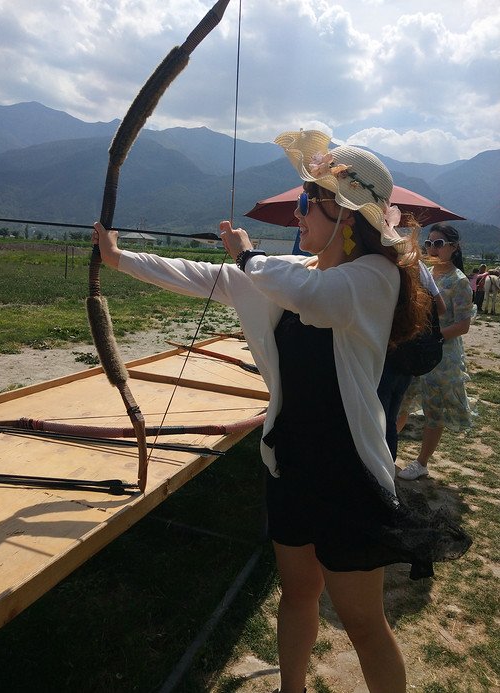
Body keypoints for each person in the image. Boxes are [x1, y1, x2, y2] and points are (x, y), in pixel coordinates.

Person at [92, 129, 471, 693]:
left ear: (344, 214)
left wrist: (246, 254)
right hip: (290, 459)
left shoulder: (375, 278)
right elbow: (204, 275)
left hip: (348, 471)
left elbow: (309, 296)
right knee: (297, 592)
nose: (297, 218)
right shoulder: (291, 274)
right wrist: (120, 259)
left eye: (304, 204)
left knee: (364, 621)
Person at [397, 223, 476, 481]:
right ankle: (385, 448)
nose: (432, 248)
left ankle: (421, 462)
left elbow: (463, 325)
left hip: (443, 355)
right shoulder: (428, 273)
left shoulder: (460, 281)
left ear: (454, 247)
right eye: (428, 243)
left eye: (438, 243)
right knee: (403, 400)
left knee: (435, 410)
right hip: (420, 349)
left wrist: (435, 338)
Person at [378, 261, 446, 460]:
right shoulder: (418, 264)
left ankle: (378, 480)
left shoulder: (383, 260)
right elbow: (439, 307)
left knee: (376, 422)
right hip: (410, 356)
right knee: (389, 420)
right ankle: (386, 477)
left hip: (388, 353)